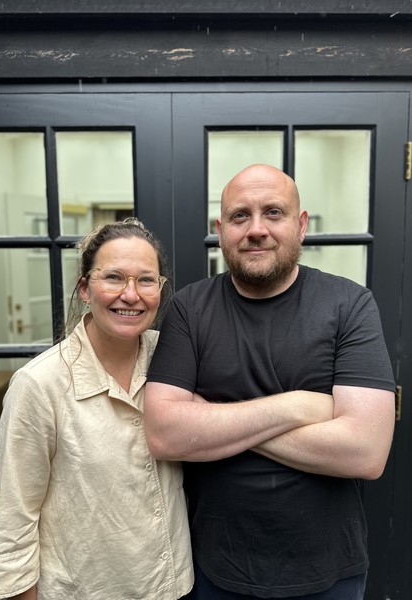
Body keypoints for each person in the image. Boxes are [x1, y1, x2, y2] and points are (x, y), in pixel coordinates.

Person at [144, 164, 396, 600]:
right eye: (240, 216)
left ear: (300, 225)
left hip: (330, 572)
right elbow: (165, 434)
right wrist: (298, 407)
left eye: (273, 212)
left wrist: (209, 419)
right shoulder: (189, 308)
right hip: (216, 569)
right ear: (220, 230)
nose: (256, 229)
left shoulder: (350, 304)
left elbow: (366, 452)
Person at [0, 218, 193, 600]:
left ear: (161, 291)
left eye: (146, 280)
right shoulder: (40, 385)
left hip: (173, 587)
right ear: (84, 288)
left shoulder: (176, 358)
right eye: (113, 277)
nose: (131, 295)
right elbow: (13, 524)